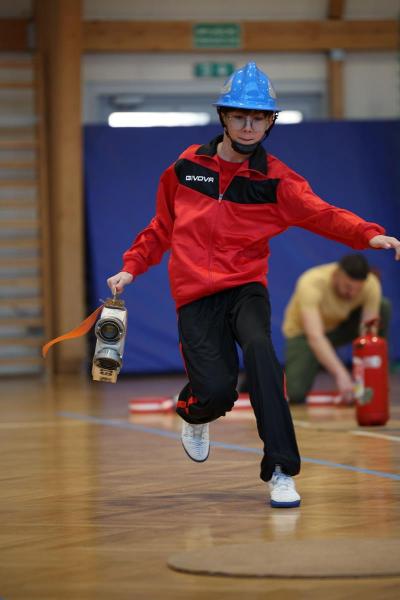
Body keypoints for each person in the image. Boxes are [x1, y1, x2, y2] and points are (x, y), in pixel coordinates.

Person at [107, 62, 400, 509]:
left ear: (269, 123)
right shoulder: (186, 168)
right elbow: (161, 226)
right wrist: (132, 266)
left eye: (259, 118)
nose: (249, 126)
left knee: (262, 354)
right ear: (224, 117)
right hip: (195, 297)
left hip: (246, 288)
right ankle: (195, 412)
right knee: (217, 393)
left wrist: (367, 234)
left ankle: (281, 470)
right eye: (240, 116)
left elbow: (322, 213)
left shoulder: (277, 181)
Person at [283, 254, 392, 404]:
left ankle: (375, 376)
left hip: (339, 328)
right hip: (305, 335)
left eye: (358, 289)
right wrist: (341, 374)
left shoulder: (371, 284)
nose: (352, 294)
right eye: (348, 287)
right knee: (295, 393)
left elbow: (368, 335)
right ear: (336, 275)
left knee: (383, 307)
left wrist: (362, 377)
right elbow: (315, 336)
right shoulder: (311, 282)